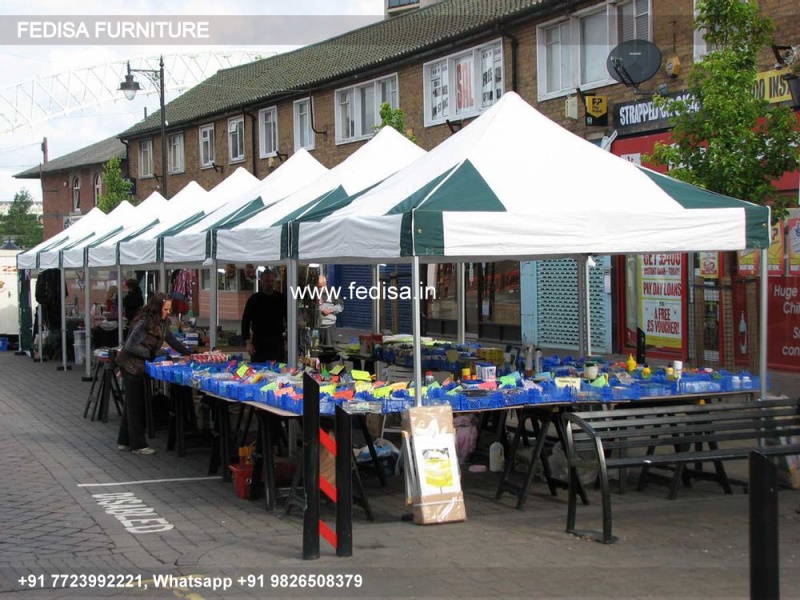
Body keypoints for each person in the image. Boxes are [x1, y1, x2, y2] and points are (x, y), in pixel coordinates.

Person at [115, 292, 192, 455]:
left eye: (169, 309)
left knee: (132, 403)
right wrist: (149, 354)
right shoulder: (143, 323)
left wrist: (188, 353)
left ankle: (124, 441)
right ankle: (138, 445)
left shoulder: (162, 323)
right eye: (165, 309)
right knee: (136, 405)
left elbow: (171, 340)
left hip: (137, 365)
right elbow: (129, 345)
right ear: (157, 308)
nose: (168, 312)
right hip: (131, 366)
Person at [241, 268, 287, 363]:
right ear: (261, 281)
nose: (269, 284)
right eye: (267, 281)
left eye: (271, 281)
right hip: (259, 342)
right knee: (258, 371)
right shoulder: (254, 299)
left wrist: (289, 340)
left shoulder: (281, 298)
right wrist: (248, 342)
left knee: (278, 372)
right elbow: (245, 322)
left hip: (277, 342)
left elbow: (289, 319)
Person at [316, 275, 343, 347]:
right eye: (318, 287)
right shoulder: (314, 293)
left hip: (329, 326)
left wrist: (330, 310)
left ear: (326, 284)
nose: (319, 289)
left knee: (329, 348)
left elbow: (340, 307)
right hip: (316, 327)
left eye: (321, 286)